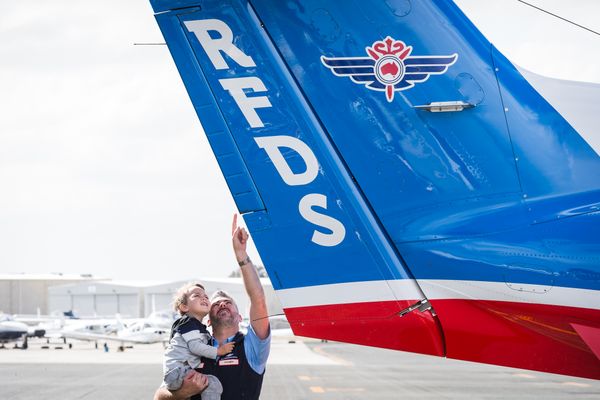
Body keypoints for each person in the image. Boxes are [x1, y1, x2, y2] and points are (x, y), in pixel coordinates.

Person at [154, 214, 271, 400]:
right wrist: (182, 393)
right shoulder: (194, 343)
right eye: (216, 304)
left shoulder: (251, 347)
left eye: (228, 302)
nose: (222, 303)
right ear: (208, 320)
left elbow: (258, 300)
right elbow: (158, 396)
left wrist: (241, 255)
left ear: (240, 317)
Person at [162, 283, 235, 399]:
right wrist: (218, 351)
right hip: (178, 370)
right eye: (197, 295)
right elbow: (195, 347)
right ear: (184, 307)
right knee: (213, 383)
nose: (204, 298)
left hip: (177, 371)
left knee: (211, 384)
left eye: (206, 296)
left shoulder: (195, 326)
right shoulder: (188, 323)